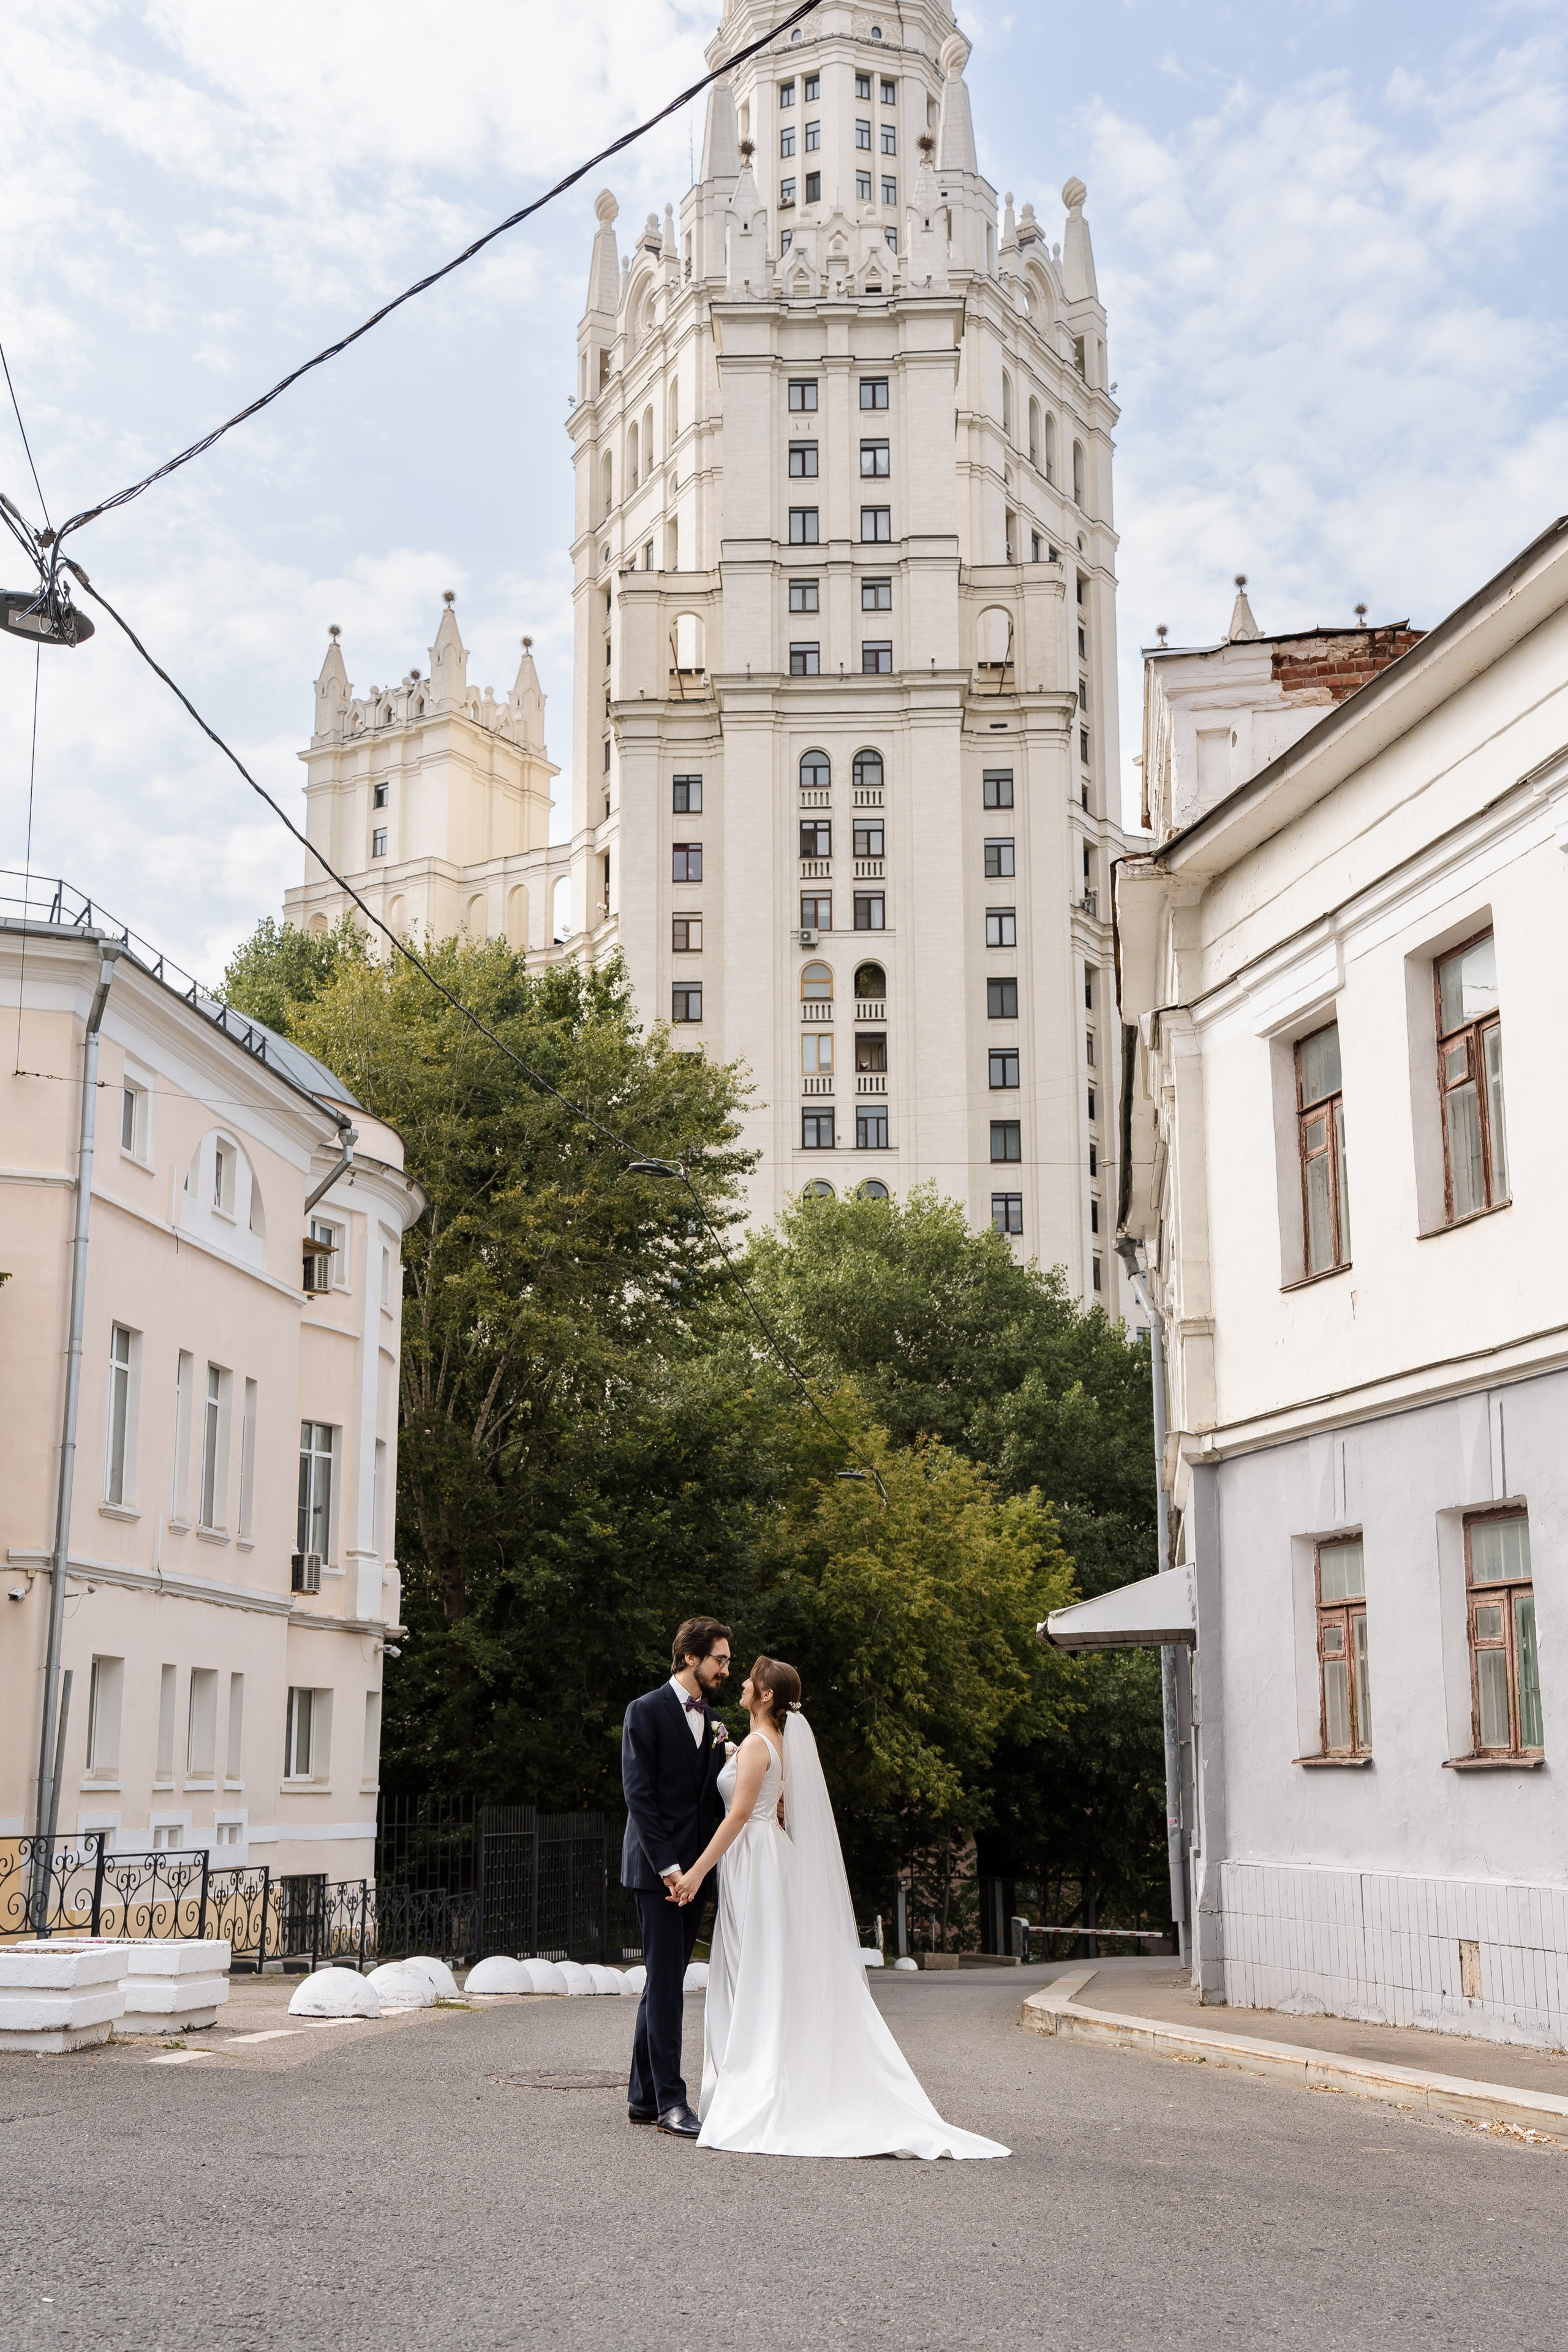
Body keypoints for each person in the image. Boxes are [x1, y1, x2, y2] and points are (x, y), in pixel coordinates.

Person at [670, 1657, 1009, 2161]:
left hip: (757, 1859)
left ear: (765, 1696)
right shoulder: (765, 1744)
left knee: (758, 1969)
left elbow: (741, 1814)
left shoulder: (761, 1747)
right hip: (755, 1859)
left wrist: (696, 1871)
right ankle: (754, 2073)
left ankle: (757, 2084)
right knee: (759, 1968)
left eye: (750, 1681)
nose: (741, 1683)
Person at [620, 1616, 733, 2137]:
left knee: (662, 1982)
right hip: (658, 1872)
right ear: (691, 1657)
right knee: (667, 1985)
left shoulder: (714, 1722)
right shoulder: (644, 1711)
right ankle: (671, 2102)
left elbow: (708, 1802)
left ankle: (643, 2098)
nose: (726, 1670)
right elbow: (640, 1796)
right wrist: (670, 1868)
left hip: (696, 1871)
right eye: (720, 1660)